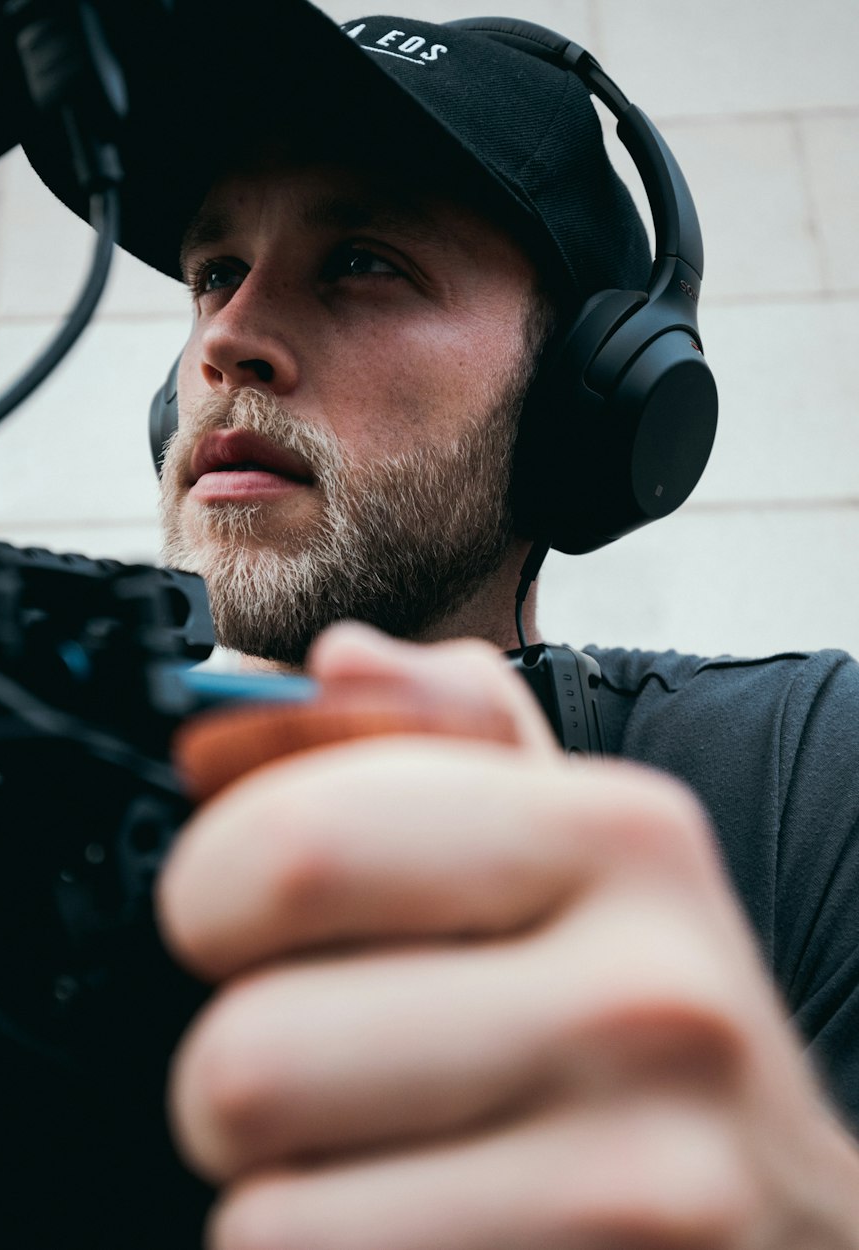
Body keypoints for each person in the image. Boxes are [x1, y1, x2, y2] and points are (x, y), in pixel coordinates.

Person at [108, 9, 859, 1248]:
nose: (228, 339)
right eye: (211, 273)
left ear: (584, 401)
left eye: (362, 258)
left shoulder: (802, 776)